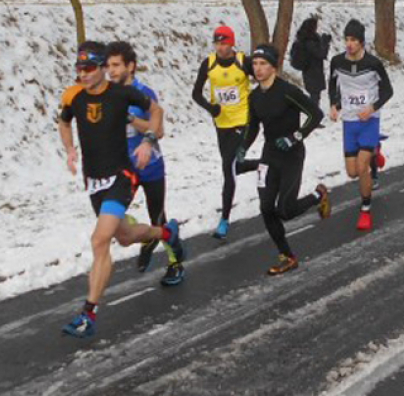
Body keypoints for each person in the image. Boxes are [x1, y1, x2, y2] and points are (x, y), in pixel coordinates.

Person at [59, 41, 185, 338]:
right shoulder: (73, 95)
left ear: (102, 68)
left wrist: (148, 140)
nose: (83, 74)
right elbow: (64, 123)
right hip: (94, 181)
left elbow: (156, 111)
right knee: (125, 237)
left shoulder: (122, 94)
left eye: (89, 68)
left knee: (100, 240)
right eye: (79, 69)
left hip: (121, 176)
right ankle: (166, 233)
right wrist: (69, 149)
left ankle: (88, 314)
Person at [237, 44, 329, 274]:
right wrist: (242, 149)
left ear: (273, 67)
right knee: (267, 208)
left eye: (263, 64)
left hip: (292, 154)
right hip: (269, 155)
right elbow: (253, 127)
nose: (258, 69)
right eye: (255, 64)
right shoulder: (255, 96)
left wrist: (294, 137)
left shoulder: (287, 91)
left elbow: (315, 114)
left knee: (285, 210)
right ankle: (287, 256)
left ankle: (318, 195)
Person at [105, 41, 184, 286]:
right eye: (108, 66)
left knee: (158, 217)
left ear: (131, 66)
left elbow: (158, 131)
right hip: (123, 168)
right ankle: (147, 237)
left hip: (150, 167)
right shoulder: (107, 93)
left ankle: (175, 263)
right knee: (113, 218)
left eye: (116, 65)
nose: (111, 71)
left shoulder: (143, 94)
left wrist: (129, 117)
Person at [191, 25, 260, 239]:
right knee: (233, 167)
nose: (221, 48)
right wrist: (211, 108)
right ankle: (264, 163)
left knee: (227, 167)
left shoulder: (243, 62)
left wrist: (255, 102)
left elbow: (263, 78)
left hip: (242, 120)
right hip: (221, 124)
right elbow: (196, 93)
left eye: (224, 43)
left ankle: (224, 219)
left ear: (232, 43)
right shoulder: (209, 64)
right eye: (217, 43)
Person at [328, 19, 394, 231]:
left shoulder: (373, 63)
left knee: (362, 166)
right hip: (349, 121)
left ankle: (365, 209)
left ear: (362, 42)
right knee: (352, 173)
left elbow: (388, 91)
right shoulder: (337, 61)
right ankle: (376, 150)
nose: (349, 44)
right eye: (347, 39)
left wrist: (372, 108)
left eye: (353, 40)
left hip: (369, 120)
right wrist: (334, 105)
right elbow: (332, 84)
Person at [290, 17, 332, 108]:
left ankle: (314, 117)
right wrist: (325, 43)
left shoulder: (305, 38)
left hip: (309, 72)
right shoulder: (310, 41)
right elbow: (321, 54)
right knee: (315, 97)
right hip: (313, 72)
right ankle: (314, 118)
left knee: (315, 96)